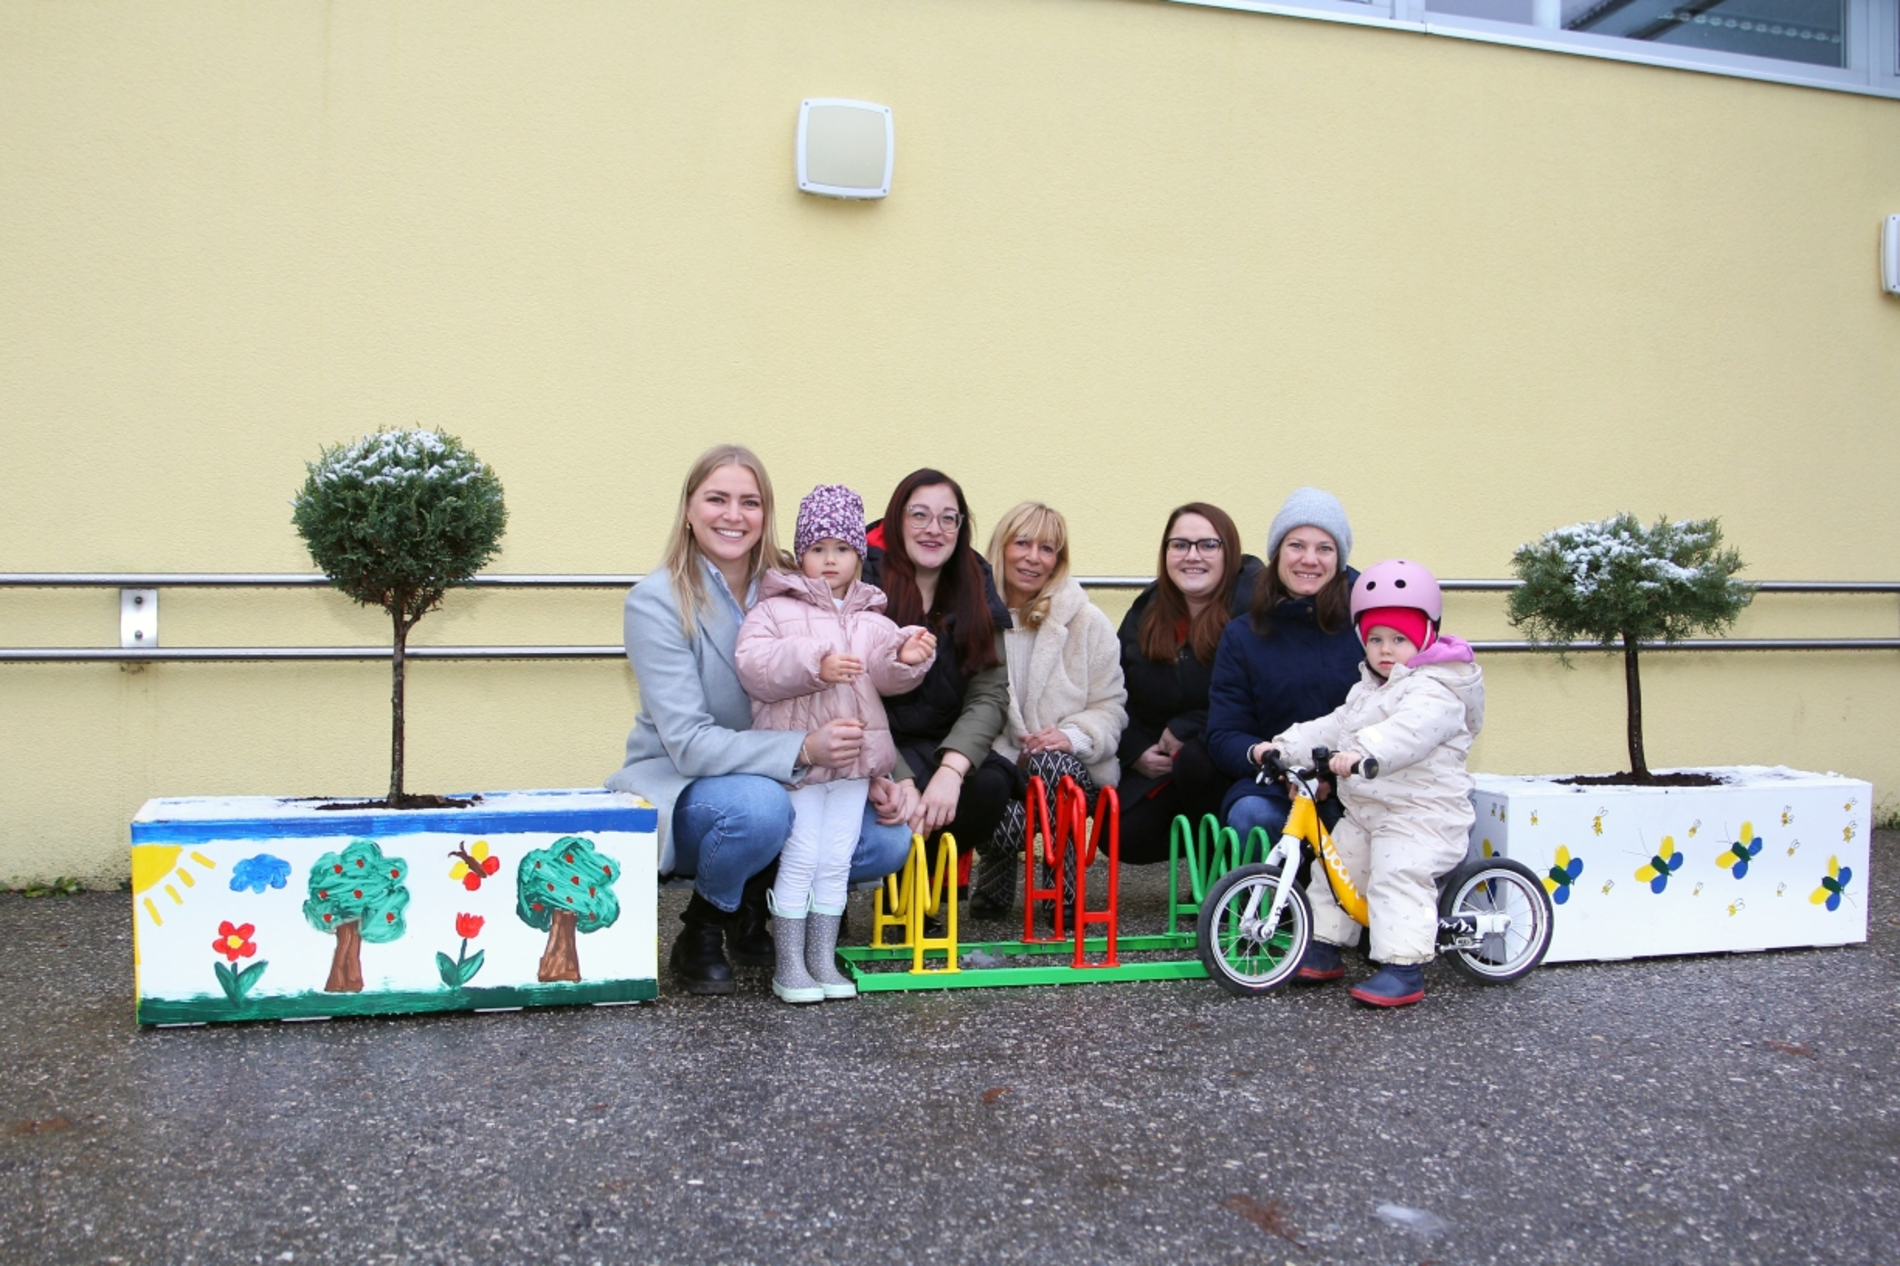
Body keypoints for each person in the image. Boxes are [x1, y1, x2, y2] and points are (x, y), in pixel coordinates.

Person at [604, 446, 916, 996]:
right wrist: (806, 751)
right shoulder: (655, 602)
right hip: (694, 778)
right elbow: (692, 744)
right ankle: (704, 924)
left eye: (750, 502)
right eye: (717, 499)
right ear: (688, 510)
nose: (733, 515)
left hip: (799, 770)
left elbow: (856, 687)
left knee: (888, 844)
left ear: (766, 514)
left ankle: (759, 905)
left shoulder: (805, 581)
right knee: (759, 809)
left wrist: (873, 774)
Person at [735, 485, 937, 1003]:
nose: (830, 560)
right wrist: (814, 663)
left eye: (843, 549)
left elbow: (888, 672)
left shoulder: (871, 618)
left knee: (836, 859)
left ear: (858, 556)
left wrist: (910, 656)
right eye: (819, 548)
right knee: (801, 857)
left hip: (853, 765)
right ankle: (789, 965)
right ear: (801, 552)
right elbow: (755, 666)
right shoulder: (773, 610)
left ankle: (822, 960)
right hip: (800, 760)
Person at [1263, 559, 1485, 1007]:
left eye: (1399, 639)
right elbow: (1334, 725)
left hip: (1420, 817)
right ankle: (1324, 944)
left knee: (1395, 875)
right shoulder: (1368, 689)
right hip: (1368, 813)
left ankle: (1404, 967)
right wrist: (1284, 747)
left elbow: (1408, 733)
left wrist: (1364, 752)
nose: (1386, 650)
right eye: (1375, 639)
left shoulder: (1437, 691)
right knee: (1334, 867)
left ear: (1425, 636)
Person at [863, 470, 1017, 899]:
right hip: (876, 743)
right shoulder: (864, 583)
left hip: (943, 741)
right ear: (896, 521)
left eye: (949, 518)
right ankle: (844, 898)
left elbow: (989, 694)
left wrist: (952, 770)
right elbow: (849, 692)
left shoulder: (976, 583)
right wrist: (899, 775)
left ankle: (916, 893)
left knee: (988, 786)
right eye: (920, 515)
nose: (935, 529)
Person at [972, 501, 1127, 913]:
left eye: (1047, 548)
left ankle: (1064, 894)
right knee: (994, 806)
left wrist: (1072, 737)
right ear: (1001, 547)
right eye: (1022, 543)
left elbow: (1111, 707)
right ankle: (995, 878)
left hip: (1069, 774)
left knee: (1052, 763)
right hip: (999, 768)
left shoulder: (1086, 621)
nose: (1033, 558)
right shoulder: (974, 618)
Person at [1206, 488, 1365, 845]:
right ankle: (1268, 896)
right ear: (1278, 553)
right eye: (1296, 545)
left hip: (1363, 786)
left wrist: (1338, 774)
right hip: (1279, 787)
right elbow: (1224, 733)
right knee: (1251, 817)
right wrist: (1269, 759)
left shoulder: (1370, 626)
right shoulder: (1243, 635)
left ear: (1339, 558)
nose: (1309, 559)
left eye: (1324, 548)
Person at [1116, 503, 1264, 864]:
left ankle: (1227, 870)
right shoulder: (1148, 610)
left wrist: (1190, 726)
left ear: (1228, 552)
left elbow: (1260, 698)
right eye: (1179, 545)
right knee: (1124, 835)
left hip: (1233, 762)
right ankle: (1203, 850)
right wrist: (1135, 750)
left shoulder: (1254, 611)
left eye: (1207, 545)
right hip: (1165, 764)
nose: (1192, 556)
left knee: (1197, 760)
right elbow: (1115, 689)